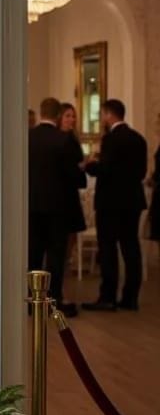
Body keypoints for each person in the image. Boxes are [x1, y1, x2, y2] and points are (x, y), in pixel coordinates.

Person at [82, 99, 148, 312]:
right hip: (132, 201)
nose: (103, 119)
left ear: (109, 115)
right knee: (131, 248)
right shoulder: (138, 139)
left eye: (103, 115)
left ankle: (108, 296)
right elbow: (141, 172)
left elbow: (107, 170)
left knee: (108, 248)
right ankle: (130, 297)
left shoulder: (111, 139)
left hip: (111, 203)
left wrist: (91, 166)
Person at [29, 97, 83, 316]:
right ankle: (53, 299)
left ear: (41, 112)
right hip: (57, 207)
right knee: (55, 255)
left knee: (33, 252)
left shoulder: (27, 137)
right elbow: (74, 176)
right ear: (58, 115)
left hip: (31, 205)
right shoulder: (63, 140)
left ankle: (32, 300)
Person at [60, 102, 87, 238]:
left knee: (73, 231)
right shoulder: (58, 138)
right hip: (61, 190)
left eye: (73, 116)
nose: (72, 119)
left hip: (71, 190)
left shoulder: (73, 138)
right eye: (68, 116)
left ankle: (68, 259)